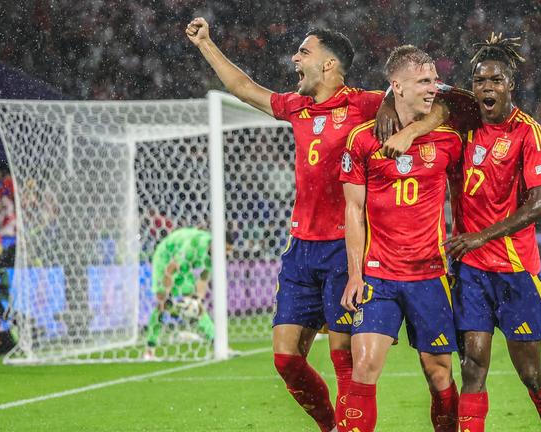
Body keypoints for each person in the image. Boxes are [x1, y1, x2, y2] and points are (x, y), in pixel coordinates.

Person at [187, 18, 441, 431]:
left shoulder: (364, 103)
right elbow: (243, 88)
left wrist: (413, 132)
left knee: (345, 362)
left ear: (329, 64)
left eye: (304, 53)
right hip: (301, 249)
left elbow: (436, 103)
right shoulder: (297, 106)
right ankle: (331, 425)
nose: (295, 59)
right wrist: (206, 44)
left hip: (345, 249)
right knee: (286, 359)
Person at [441, 34, 541, 432]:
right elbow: (418, 87)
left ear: (510, 84)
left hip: (515, 269)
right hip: (472, 270)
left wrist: (481, 235)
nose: (487, 88)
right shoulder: (462, 123)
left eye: (495, 81)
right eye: (480, 81)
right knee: (473, 365)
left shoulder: (529, 132)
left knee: (530, 372)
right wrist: (392, 101)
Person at [338, 45, 463, 432]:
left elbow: (468, 104)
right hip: (379, 275)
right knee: (365, 366)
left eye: (434, 81)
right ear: (397, 86)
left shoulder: (449, 139)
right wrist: (355, 275)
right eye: (423, 81)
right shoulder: (362, 140)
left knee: (439, 372)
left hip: (429, 273)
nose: (432, 89)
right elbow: (353, 213)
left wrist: (413, 130)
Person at [144, 227, 232, 359]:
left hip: (183, 266)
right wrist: (166, 295)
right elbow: (170, 268)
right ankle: (149, 350)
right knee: (162, 305)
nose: (227, 254)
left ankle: (219, 345)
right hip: (165, 257)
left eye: (229, 251)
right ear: (216, 244)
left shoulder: (215, 256)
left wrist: (198, 300)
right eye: (226, 249)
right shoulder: (192, 247)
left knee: (196, 306)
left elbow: (203, 279)